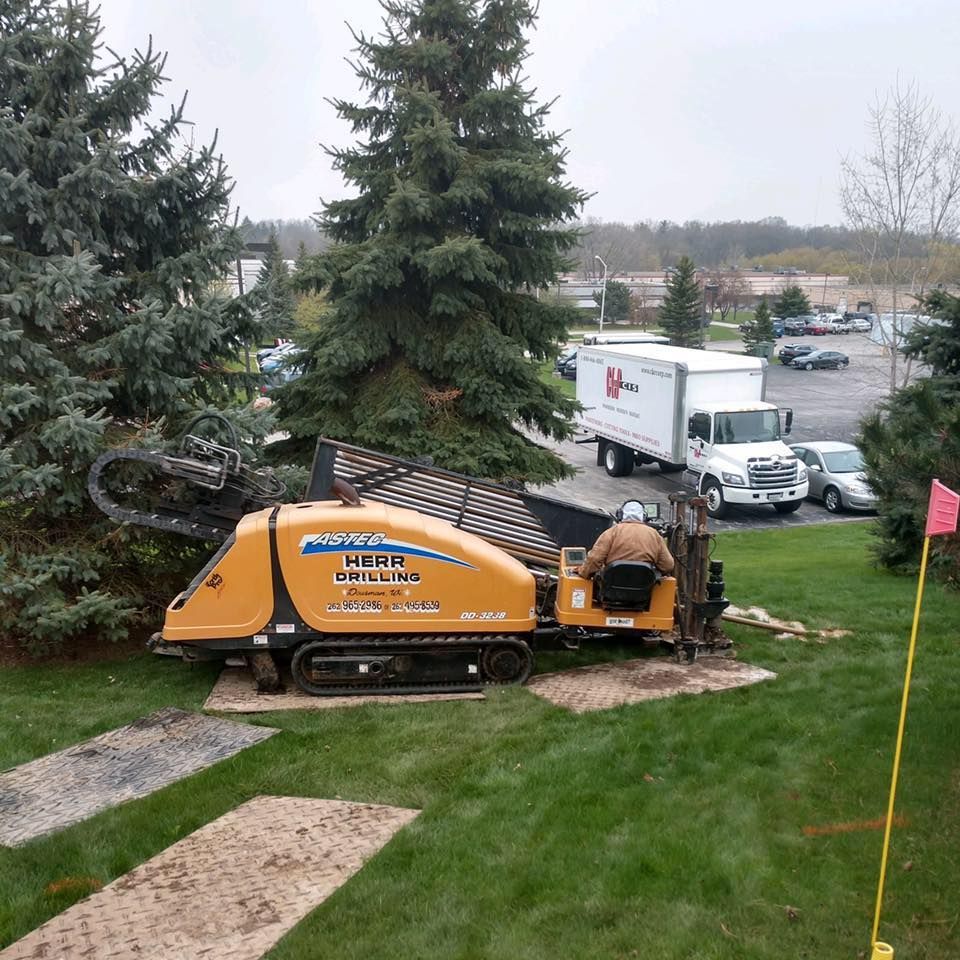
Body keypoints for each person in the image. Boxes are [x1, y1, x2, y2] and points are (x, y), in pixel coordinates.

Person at [576, 501, 675, 579]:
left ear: (621, 515)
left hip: (610, 592)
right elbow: (668, 565)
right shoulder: (655, 535)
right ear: (644, 516)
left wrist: (583, 572)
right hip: (644, 596)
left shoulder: (611, 532)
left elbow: (594, 559)